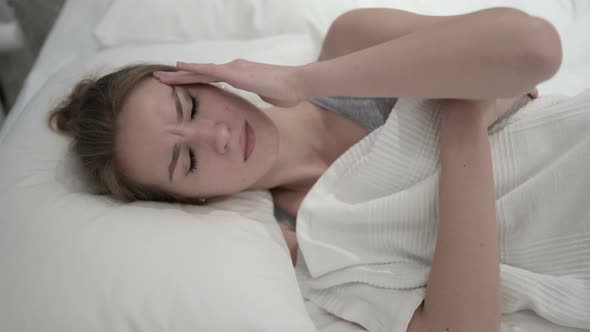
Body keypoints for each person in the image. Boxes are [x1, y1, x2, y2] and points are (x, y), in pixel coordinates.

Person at [49, 7, 563, 332]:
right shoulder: (306, 242)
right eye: (188, 161)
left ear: (204, 78)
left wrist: (302, 81)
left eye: (192, 108)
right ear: (189, 200)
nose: (219, 137)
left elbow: (532, 48)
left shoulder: (349, 47)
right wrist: (462, 112)